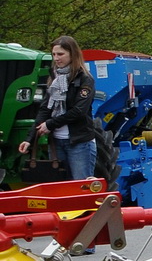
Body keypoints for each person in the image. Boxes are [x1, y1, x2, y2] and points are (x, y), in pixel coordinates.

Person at [20, 35, 98, 180]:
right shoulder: (54, 80)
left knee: (81, 187)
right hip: (56, 143)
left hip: (79, 143)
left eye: (60, 54)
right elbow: (45, 110)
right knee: (59, 188)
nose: (56, 58)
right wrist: (29, 139)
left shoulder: (85, 79)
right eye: (54, 54)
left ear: (72, 54)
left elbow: (79, 111)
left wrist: (50, 124)